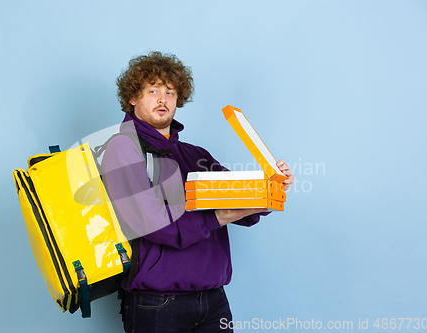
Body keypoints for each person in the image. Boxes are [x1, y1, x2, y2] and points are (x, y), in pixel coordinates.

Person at [100, 51, 294, 333]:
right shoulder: (122, 148)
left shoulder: (195, 154)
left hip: (214, 300)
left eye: (170, 91)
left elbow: (243, 205)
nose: (162, 99)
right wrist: (218, 216)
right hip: (157, 303)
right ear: (133, 98)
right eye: (152, 90)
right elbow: (153, 224)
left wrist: (270, 187)